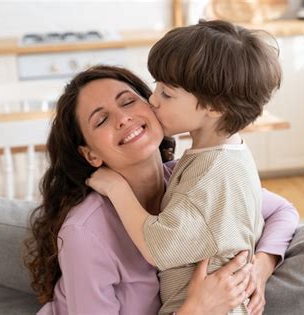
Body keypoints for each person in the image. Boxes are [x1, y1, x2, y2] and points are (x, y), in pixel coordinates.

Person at [24, 65, 299, 315]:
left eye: (129, 102)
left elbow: (281, 211)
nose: (122, 118)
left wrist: (258, 270)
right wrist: (197, 309)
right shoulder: (84, 233)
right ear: (91, 155)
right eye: (101, 120)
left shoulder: (195, 180)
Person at [86, 20, 284, 314]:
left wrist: (116, 188)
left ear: (214, 108)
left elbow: (157, 248)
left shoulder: (213, 176)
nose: (152, 100)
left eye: (167, 93)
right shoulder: (226, 157)